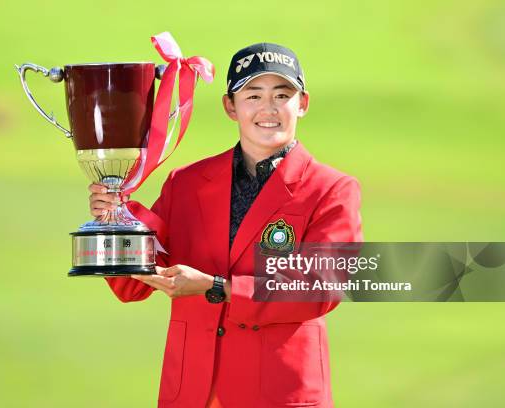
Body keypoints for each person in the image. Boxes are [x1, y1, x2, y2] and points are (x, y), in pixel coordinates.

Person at [89, 43, 362, 408]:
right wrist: (113, 222)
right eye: (253, 95)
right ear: (230, 106)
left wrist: (220, 287)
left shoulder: (332, 189)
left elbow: (321, 289)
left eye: (282, 95)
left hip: (280, 396)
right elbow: (130, 286)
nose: (269, 109)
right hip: (190, 393)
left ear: (303, 104)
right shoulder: (185, 182)